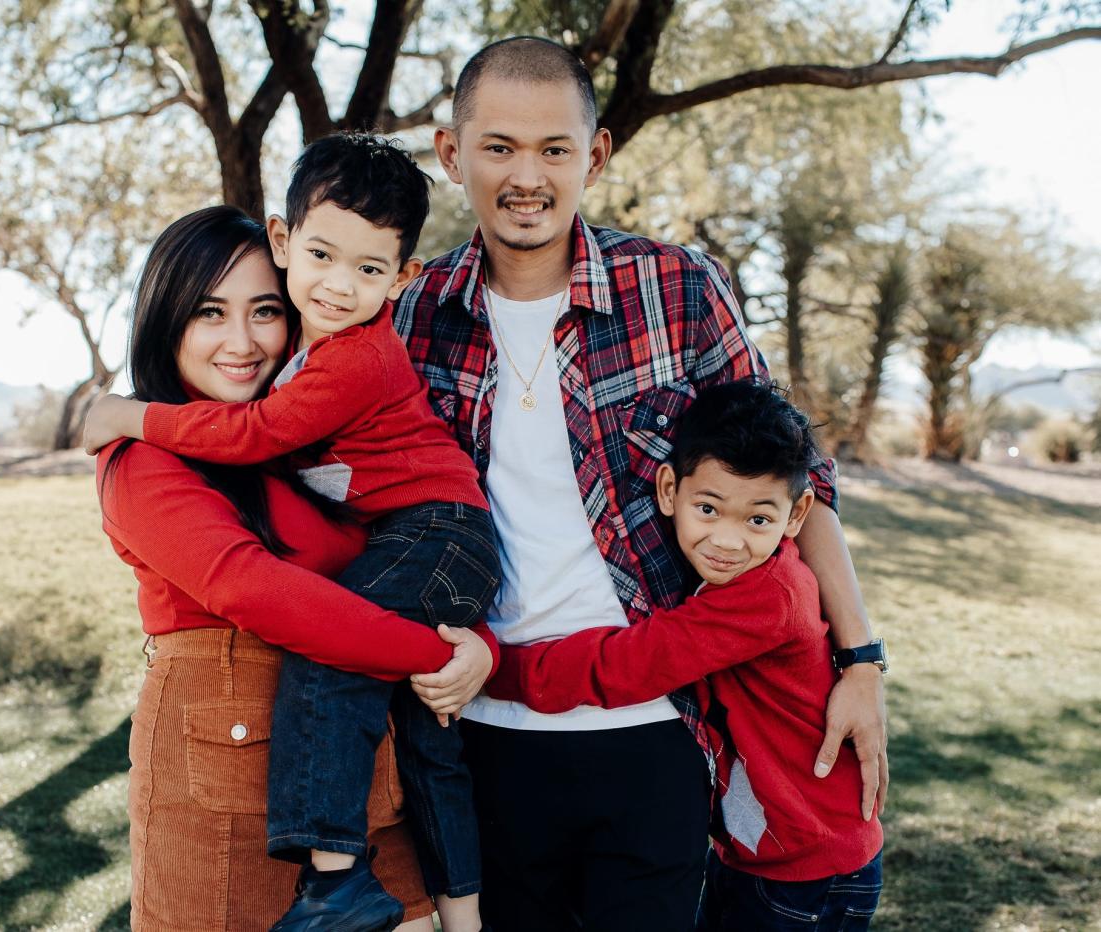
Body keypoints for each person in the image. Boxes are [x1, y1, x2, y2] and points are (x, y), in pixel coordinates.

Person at [396, 36, 889, 929]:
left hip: (658, 732)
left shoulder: (678, 289)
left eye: (554, 150)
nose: (526, 176)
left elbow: (800, 481)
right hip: (481, 730)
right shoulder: (413, 313)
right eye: (498, 147)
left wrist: (860, 661)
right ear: (450, 153)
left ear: (595, 155)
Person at [86, 136, 495, 932]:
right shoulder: (145, 460)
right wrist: (435, 655)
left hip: (360, 794)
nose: (241, 342)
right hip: (226, 799)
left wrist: (478, 650)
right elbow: (257, 591)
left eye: (263, 312)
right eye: (210, 312)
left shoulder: (302, 442)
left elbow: (394, 578)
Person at [484, 379, 885, 930]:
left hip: (806, 872)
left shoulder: (768, 595)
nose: (728, 540)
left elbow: (626, 665)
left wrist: (493, 668)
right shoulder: (748, 577)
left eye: (758, 520)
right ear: (669, 489)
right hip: (763, 853)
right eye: (709, 509)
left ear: (797, 515)